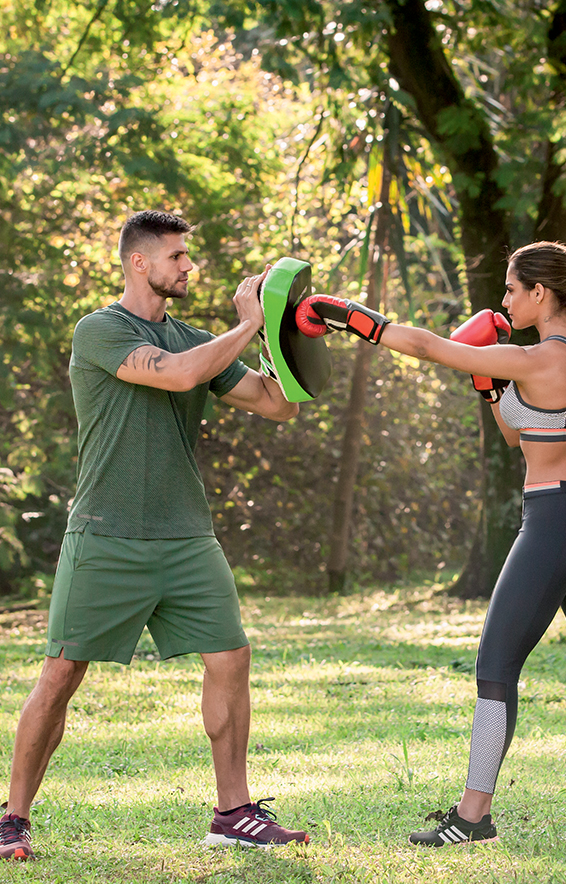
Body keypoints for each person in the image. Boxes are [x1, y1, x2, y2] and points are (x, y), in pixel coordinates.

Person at [296, 240, 566, 843]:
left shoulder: (541, 355)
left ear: (539, 294)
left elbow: (424, 346)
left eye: (510, 290)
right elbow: (518, 436)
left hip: (555, 518)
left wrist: (349, 315)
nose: (503, 301)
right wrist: (487, 379)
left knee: (495, 668)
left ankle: (472, 817)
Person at [0, 210, 310, 861]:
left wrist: (278, 332)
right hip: (105, 534)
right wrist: (248, 321)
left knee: (230, 659)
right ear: (139, 262)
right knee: (60, 673)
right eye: (176, 257)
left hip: (186, 537)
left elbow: (276, 404)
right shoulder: (101, 330)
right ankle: (11, 818)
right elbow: (172, 374)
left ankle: (233, 812)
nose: (187, 267)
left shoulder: (198, 339)